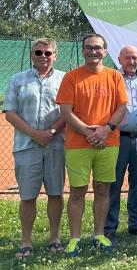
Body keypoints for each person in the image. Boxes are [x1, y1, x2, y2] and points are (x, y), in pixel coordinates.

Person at [57, 34, 128, 256]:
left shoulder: (115, 76)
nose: (93, 51)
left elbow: (121, 108)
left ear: (105, 52)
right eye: (89, 48)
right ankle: (74, 238)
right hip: (78, 144)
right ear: (83, 51)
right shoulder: (71, 77)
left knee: (102, 189)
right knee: (77, 192)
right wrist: (89, 132)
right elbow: (65, 111)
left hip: (108, 142)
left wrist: (106, 130)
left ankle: (99, 234)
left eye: (97, 48)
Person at [4, 38, 66, 258]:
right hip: (26, 146)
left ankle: (55, 238)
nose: (43, 57)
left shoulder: (64, 79)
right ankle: (26, 241)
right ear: (32, 55)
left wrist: (49, 133)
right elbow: (10, 112)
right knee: (27, 196)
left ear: (55, 55)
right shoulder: (17, 80)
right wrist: (35, 134)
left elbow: (69, 111)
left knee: (56, 193)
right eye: (38, 52)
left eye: (48, 53)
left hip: (56, 145)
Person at [105, 46, 137, 240]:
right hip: (118, 138)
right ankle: (110, 227)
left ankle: (135, 224)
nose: (131, 61)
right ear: (119, 59)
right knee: (114, 183)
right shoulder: (111, 77)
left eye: (135, 58)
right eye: (127, 58)